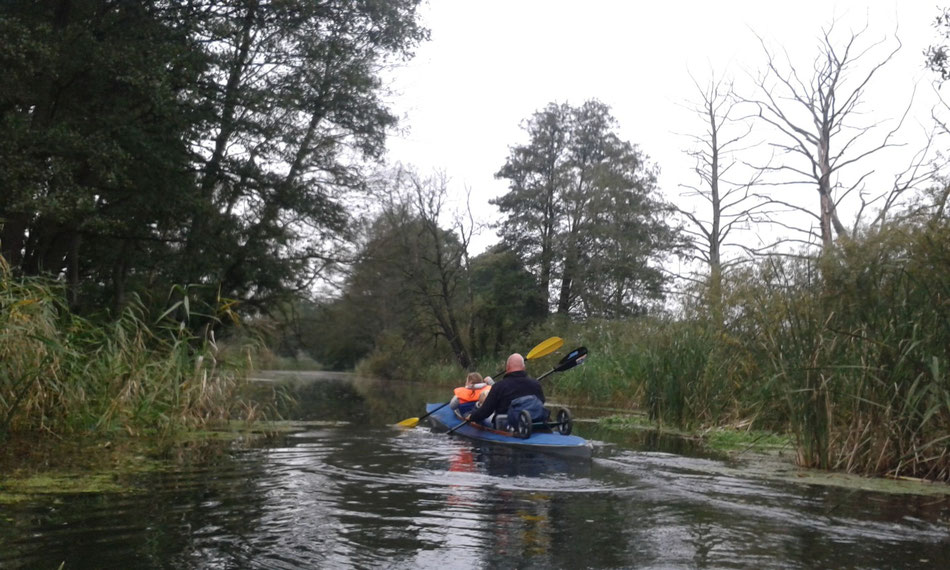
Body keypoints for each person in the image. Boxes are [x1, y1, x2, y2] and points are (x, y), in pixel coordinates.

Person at [466, 353, 545, 429]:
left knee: (480, 414)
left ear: (507, 368)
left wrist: (472, 417)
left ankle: (473, 411)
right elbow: (542, 402)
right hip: (532, 421)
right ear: (524, 368)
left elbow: (485, 412)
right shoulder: (536, 384)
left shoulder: (499, 386)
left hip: (505, 425)